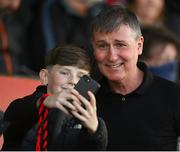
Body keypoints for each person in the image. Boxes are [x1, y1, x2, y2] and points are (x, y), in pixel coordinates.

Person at [90, 5, 180, 150]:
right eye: (102, 46)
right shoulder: (86, 97)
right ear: (93, 48)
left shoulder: (173, 95)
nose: (112, 56)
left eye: (120, 45)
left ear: (139, 46)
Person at [2, 45, 107, 150]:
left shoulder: (89, 119)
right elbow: (13, 119)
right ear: (45, 77)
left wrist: (95, 132)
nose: (73, 81)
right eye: (65, 73)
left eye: (81, 76)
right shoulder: (24, 107)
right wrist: (43, 102)